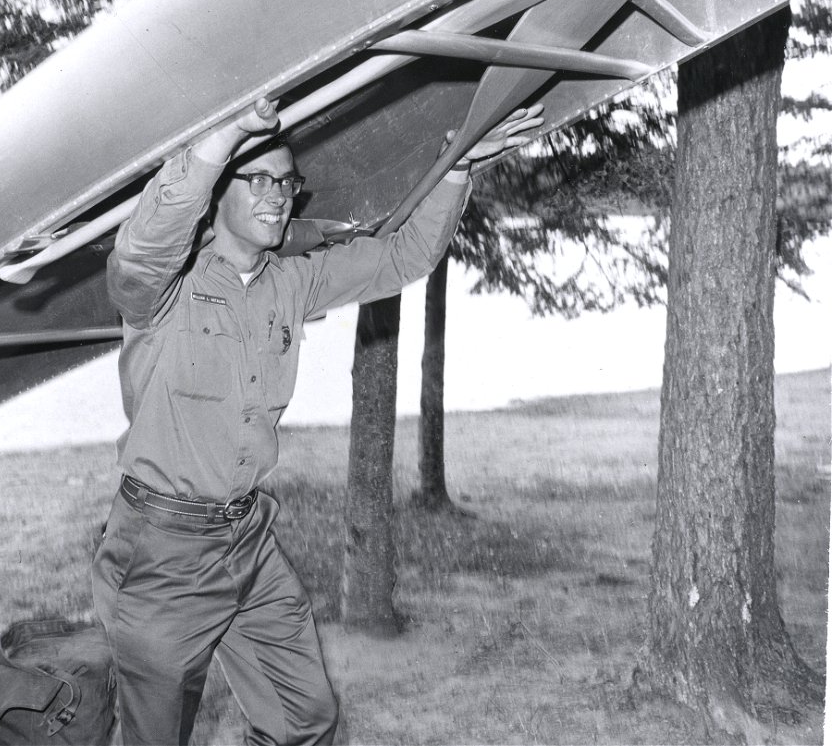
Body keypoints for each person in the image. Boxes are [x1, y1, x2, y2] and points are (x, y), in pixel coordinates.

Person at [92, 98, 544, 745]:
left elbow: (402, 259)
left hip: (246, 535)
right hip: (160, 549)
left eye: (288, 181)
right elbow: (140, 254)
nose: (280, 196)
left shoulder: (290, 281)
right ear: (216, 194)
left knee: (304, 718)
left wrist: (456, 168)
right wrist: (221, 136)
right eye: (261, 180)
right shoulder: (163, 290)